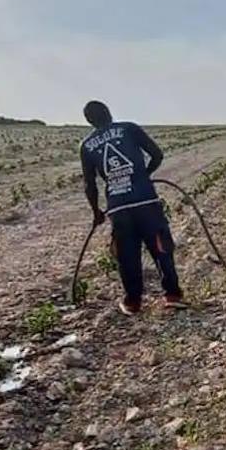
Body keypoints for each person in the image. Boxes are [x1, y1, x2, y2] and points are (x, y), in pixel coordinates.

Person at [80, 101, 186, 314]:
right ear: (109, 113)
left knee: (127, 254)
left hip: (118, 208)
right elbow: (157, 155)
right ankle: (172, 295)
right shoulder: (129, 128)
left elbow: (89, 184)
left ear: (89, 121)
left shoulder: (86, 145)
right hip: (146, 201)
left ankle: (133, 301)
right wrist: (143, 176)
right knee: (160, 247)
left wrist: (96, 212)